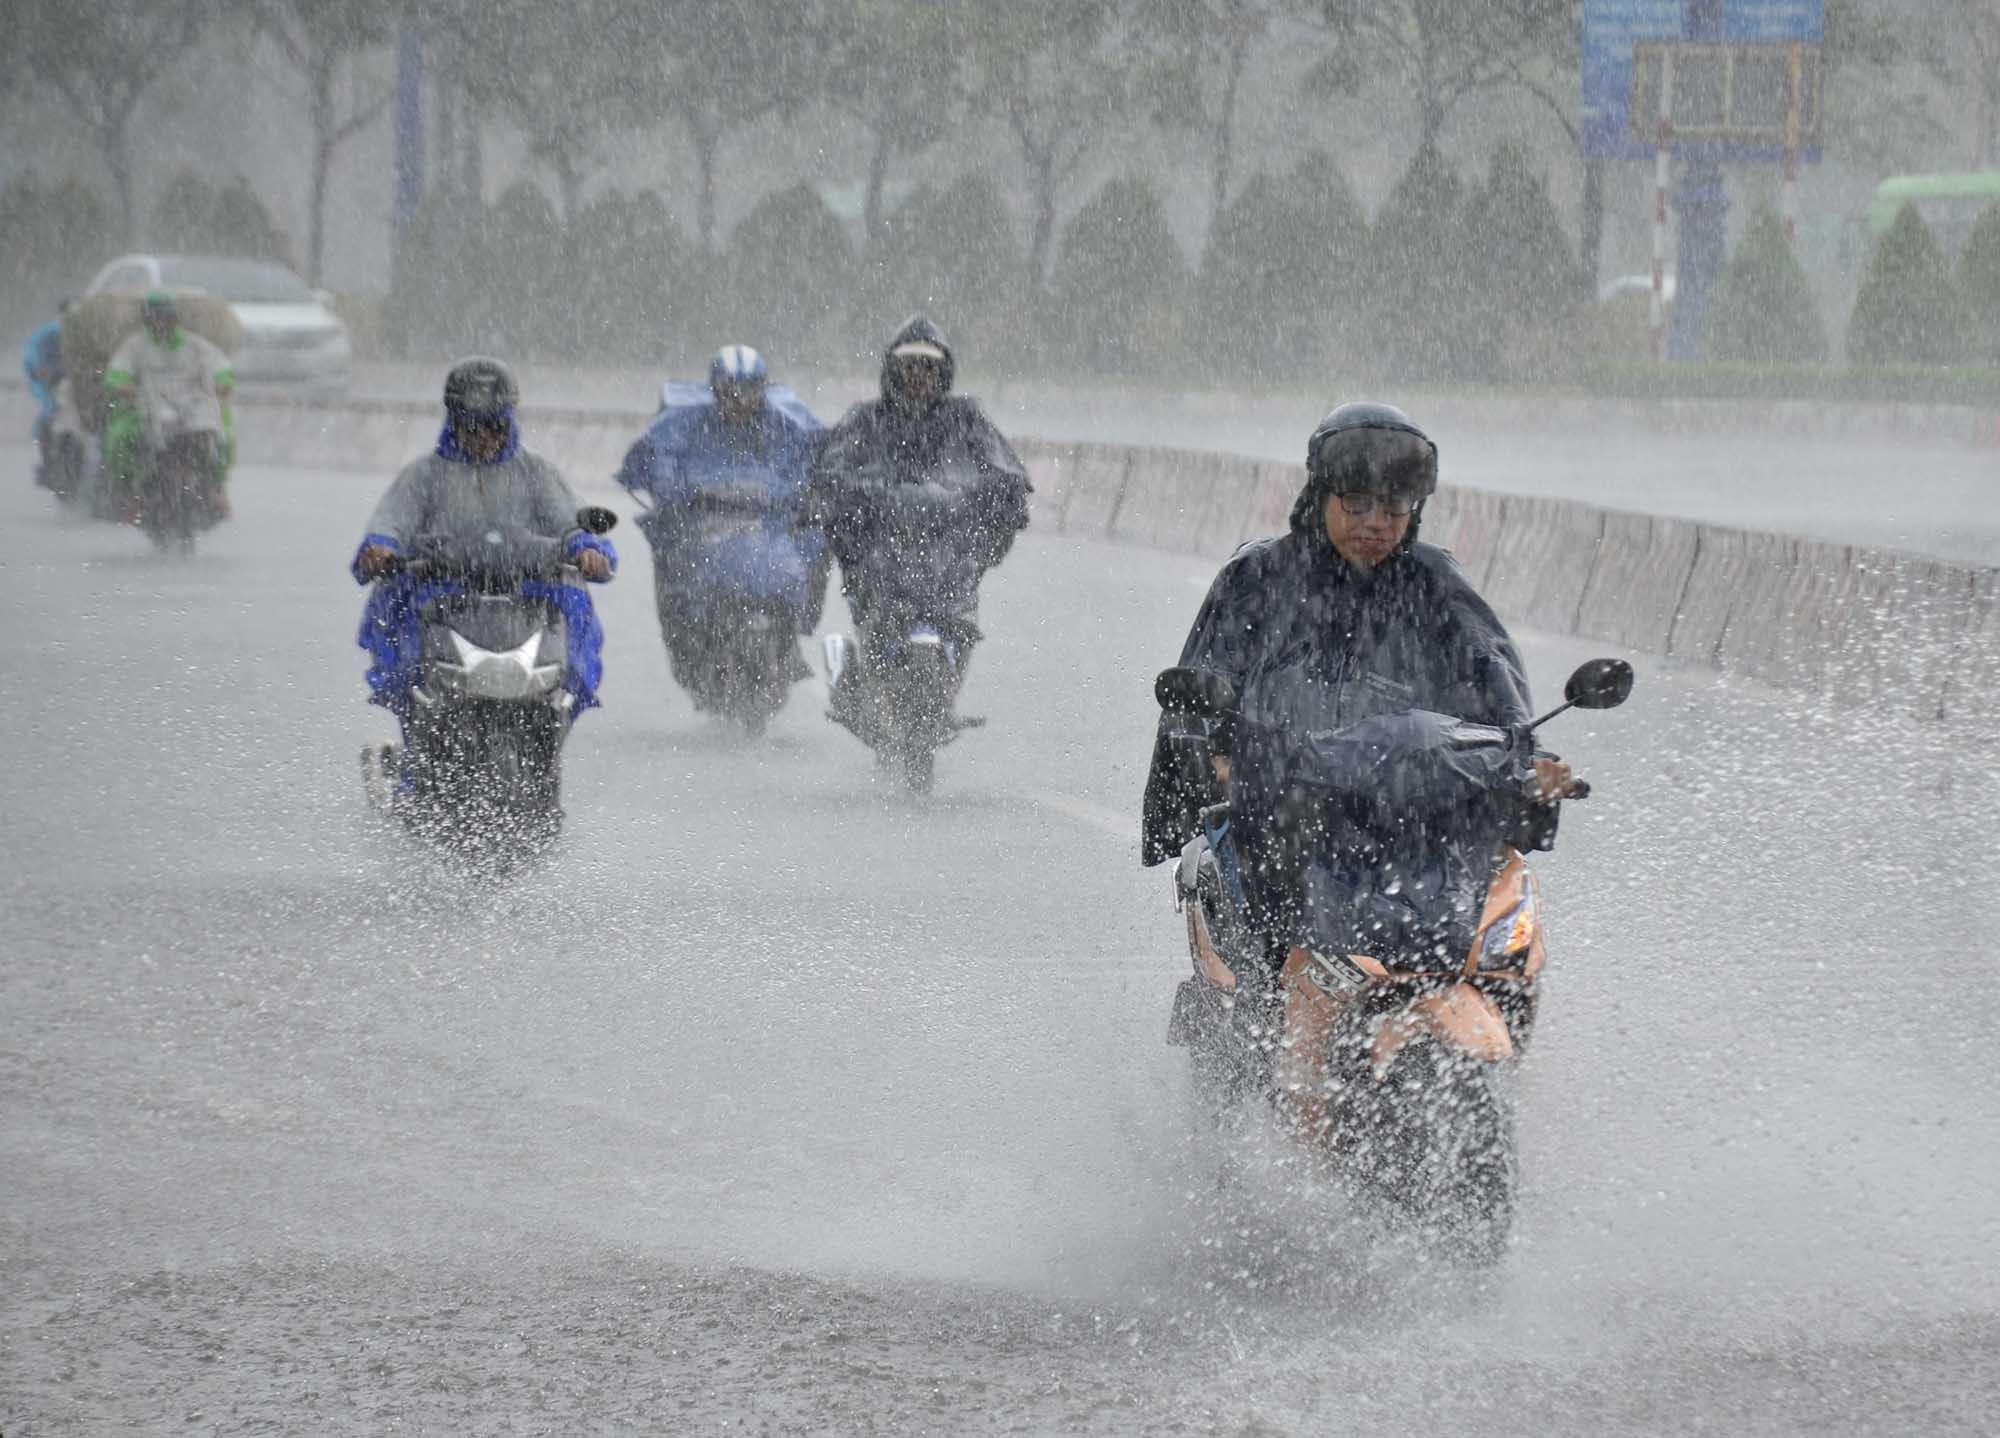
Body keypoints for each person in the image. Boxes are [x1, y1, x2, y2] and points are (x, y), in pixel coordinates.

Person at [1140, 402, 1572, 966]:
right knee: (1261, 916)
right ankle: (1261, 1008)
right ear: (1320, 497)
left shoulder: (1436, 585)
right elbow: (1200, 696)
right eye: (1358, 504)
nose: (1376, 523)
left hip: (1409, 807)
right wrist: (1221, 760)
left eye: (1393, 507)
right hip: (1285, 807)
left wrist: (1527, 761)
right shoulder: (1257, 578)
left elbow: (1496, 680)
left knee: (1492, 928)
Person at [352, 357, 616, 734]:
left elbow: (569, 522)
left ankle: (550, 725)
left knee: (572, 637)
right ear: (453, 423)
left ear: (509, 422)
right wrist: (380, 549)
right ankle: (416, 752)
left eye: (494, 427)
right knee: (407, 659)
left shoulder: (536, 473)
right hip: (440, 596)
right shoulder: (423, 476)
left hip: (526, 596)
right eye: (471, 427)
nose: (484, 439)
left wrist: (587, 551)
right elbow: (391, 522)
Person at [808, 316, 1030, 723]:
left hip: (946, 554)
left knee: (961, 615)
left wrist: (1006, 494)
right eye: (910, 366)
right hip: (882, 555)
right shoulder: (865, 419)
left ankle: (945, 682)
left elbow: (1003, 468)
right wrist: (846, 494)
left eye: (928, 367)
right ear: (893, 370)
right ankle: (862, 684)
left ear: (943, 372)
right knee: (872, 603)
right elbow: (831, 469)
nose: (918, 376)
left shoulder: (966, 418)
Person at [614, 344, 828, 703]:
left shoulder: (784, 423)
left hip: (766, 527)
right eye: (731, 390)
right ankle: (688, 647)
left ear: (762, 389)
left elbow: (808, 461)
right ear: (716, 389)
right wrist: (672, 494)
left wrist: (808, 496)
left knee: (816, 547)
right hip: (703, 526)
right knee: (675, 572)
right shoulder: (685, 423)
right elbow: (660, 456)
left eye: (749, 390)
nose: (740, 400)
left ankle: (792, 629)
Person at [103, 290, 236, 524]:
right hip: (149, 410)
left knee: (223, 439)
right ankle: (130, 493)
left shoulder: (195, 345)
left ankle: (216, 489)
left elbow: (221, 368)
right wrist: (123, 385)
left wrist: (222, 384)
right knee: (118, 439)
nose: (160, 322)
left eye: (165, 316)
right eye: (155, 317)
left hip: (194, 410)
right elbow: (117, 372)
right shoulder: (135, 346)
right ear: (147, 318)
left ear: (174, 318)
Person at [22, 299, 71, 465]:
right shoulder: (52, 332)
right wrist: (40, 370)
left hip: (59, 375)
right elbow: (33, 356)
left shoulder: (76, 331)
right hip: (41, 376)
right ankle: (41, 442)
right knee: (50, 407)